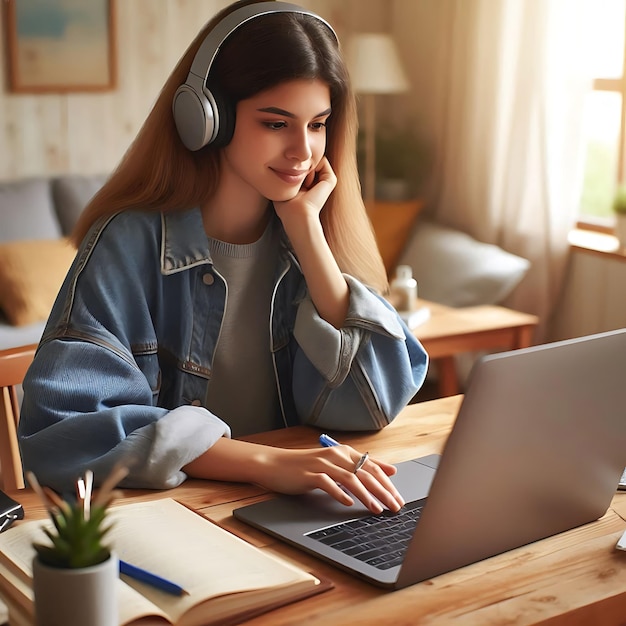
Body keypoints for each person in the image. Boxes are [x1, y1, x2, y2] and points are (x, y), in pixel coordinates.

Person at [19, 0, 428, 515]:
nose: (303, 152)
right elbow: (61, 430)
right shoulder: (129, 242)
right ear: (205, 118)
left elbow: (372, 403)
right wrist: (263, 463)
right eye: (276, 124)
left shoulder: (306, 236)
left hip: (297, 508)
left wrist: (306, 232)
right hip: (182, 515)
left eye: (318, 124)